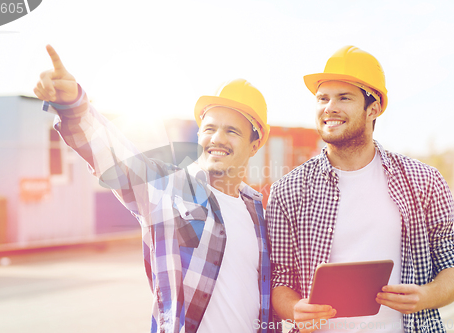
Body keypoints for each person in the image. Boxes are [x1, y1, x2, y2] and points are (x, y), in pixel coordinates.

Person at [33, 45, 274, 333]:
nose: (217, 138)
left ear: (255, 143)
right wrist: (74, 106)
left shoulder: (257, 209)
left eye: (232, 131)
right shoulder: (171, 190)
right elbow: (114, 157)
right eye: (209, 128)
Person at [267, 45, 454, 333]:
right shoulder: (288, 190)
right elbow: (280, 281)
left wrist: (426, 297)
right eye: (322, 98)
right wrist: (295, 309)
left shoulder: (424, 181)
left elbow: (453, 268)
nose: (329, 107)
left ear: (374, 108)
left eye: (343, 97)